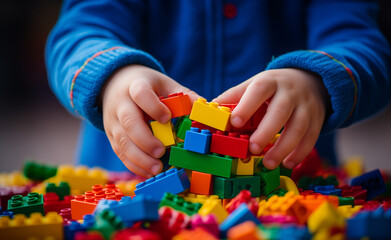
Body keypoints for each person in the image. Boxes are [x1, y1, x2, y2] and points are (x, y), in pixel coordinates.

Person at [46, 0, 391, 178]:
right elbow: (77, 32)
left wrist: (317, 80)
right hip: (128, 190)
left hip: (287, 194)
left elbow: (366, 46)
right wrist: (113, 76)